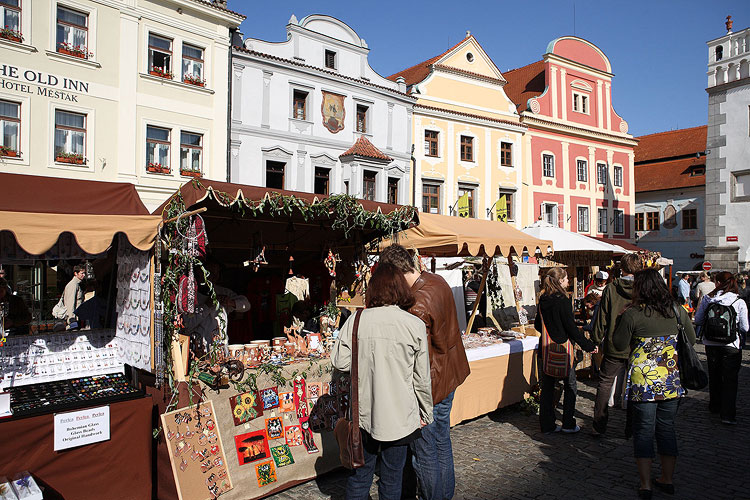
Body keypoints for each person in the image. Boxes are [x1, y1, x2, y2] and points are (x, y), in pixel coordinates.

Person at [331, 263, 433, 500]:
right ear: (400, 290)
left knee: (359, 478)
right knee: (392, 479)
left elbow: (340, 362)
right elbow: (421, 379)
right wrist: (426, 413)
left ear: (372, 290)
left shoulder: (356, 320)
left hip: (363, 415)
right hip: (401, 417)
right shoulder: (414, 324)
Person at [379, 244, 470, 500]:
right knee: (441, 443)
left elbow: (415, 356)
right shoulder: (436, 280)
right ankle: (444, 494)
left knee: (425, 453)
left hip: (431, 385)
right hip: (447, 376)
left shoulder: (416, 304)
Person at [613, 269, 696, 499]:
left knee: (643, 431)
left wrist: (622, 318)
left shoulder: (633, 315)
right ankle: (667, 480)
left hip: (643, 382)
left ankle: (646, 484)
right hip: (670, 380)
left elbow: (619, 344)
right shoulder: (677, 311)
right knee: (666, 429)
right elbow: (692, 339)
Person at [534, 268, 597, 434]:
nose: (568, 281)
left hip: (546, 348)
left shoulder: (543, 298)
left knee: (547, 388)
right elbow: (571, 328)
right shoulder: (563, 299)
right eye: (567, 278)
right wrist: (588, 345)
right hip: (562, 348)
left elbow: (537, 325)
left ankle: (547, 424)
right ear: (560, 281)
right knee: (570, 386)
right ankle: (568, 423)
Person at [591, 253, 643, 435]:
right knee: (635, 384)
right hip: (637, 344)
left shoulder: (611, 289)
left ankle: (599, 425)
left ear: (622, 268)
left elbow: (601, 318)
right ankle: (632, 428)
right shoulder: (643, 289)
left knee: (605, 383)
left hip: (614, 342)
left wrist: (596, 339)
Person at [694, 271, 749, 425]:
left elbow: (698, 320)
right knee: (730, 380)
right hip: (731, 345)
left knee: (715, 375)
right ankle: (728, 414)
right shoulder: (738, 301)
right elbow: (745, 327)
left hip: (711, 343)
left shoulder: (708, 298)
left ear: (717, 283)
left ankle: (714, 406)